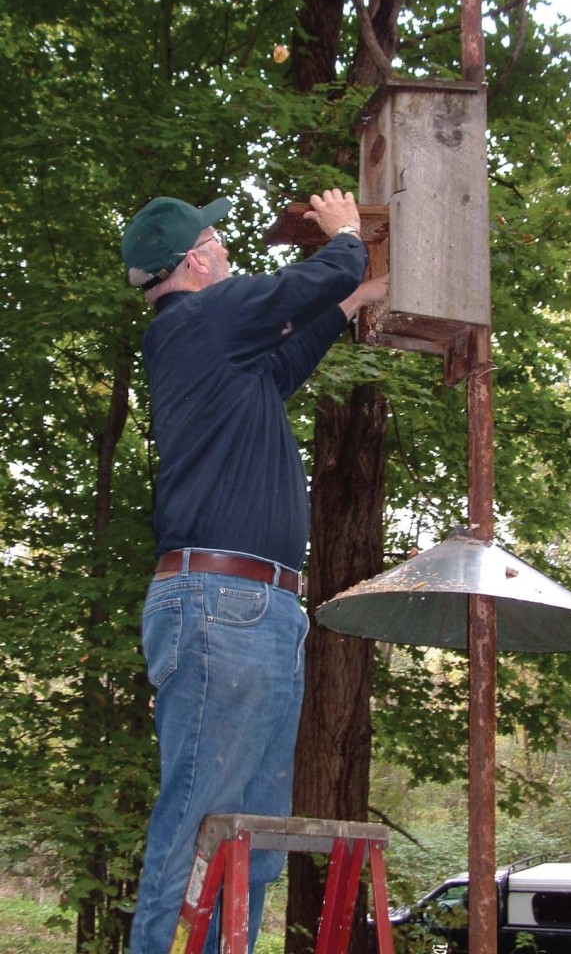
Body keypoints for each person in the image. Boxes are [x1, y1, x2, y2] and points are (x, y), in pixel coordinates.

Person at [121, 188, 389, 953]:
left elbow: (287, 358)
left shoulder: (218, 351)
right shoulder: (198, 317)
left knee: (254, 840)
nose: (229, 249)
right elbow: (301, 286)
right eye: (219, 240)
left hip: (258, 611)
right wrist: (345, 242)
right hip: (220, 604)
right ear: (198, 258)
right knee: (197, 817)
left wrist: (361, 295)